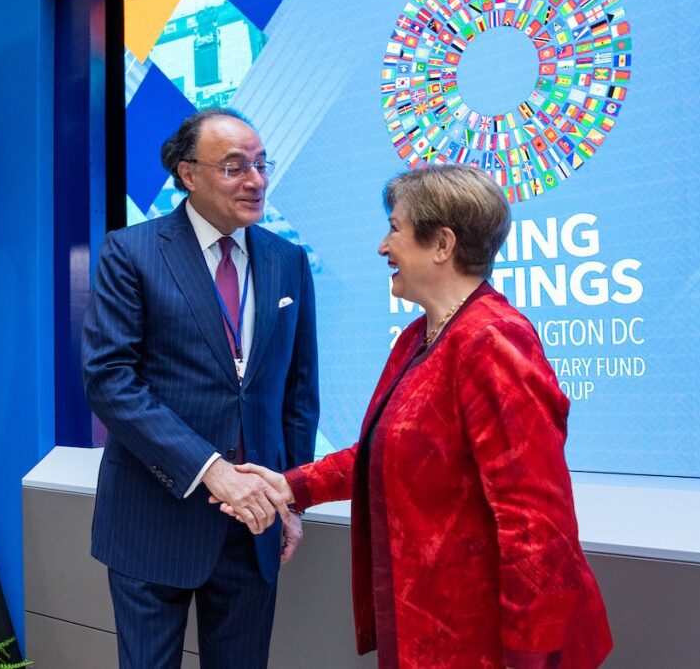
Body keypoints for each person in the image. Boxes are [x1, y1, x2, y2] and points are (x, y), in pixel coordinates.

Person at [224, 164, 612, 668]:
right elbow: (386, 451)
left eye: (395, 229)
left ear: (442, 244)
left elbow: (535, 523)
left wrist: (529, 656)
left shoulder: (493, 339)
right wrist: (289, 486)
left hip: (487, 642)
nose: (382, 247)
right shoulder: (419, 337)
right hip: (431, 628)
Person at [82, 107, 319, 668]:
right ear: (188, 174)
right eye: (235, 167)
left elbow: (298, 394)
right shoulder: (131, 251)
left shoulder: (287, 260)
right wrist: (211, 469)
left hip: (253, 526)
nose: (256, 180)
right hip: (153, 517)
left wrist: (292, 499)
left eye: (261, 165)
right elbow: (111, 381)